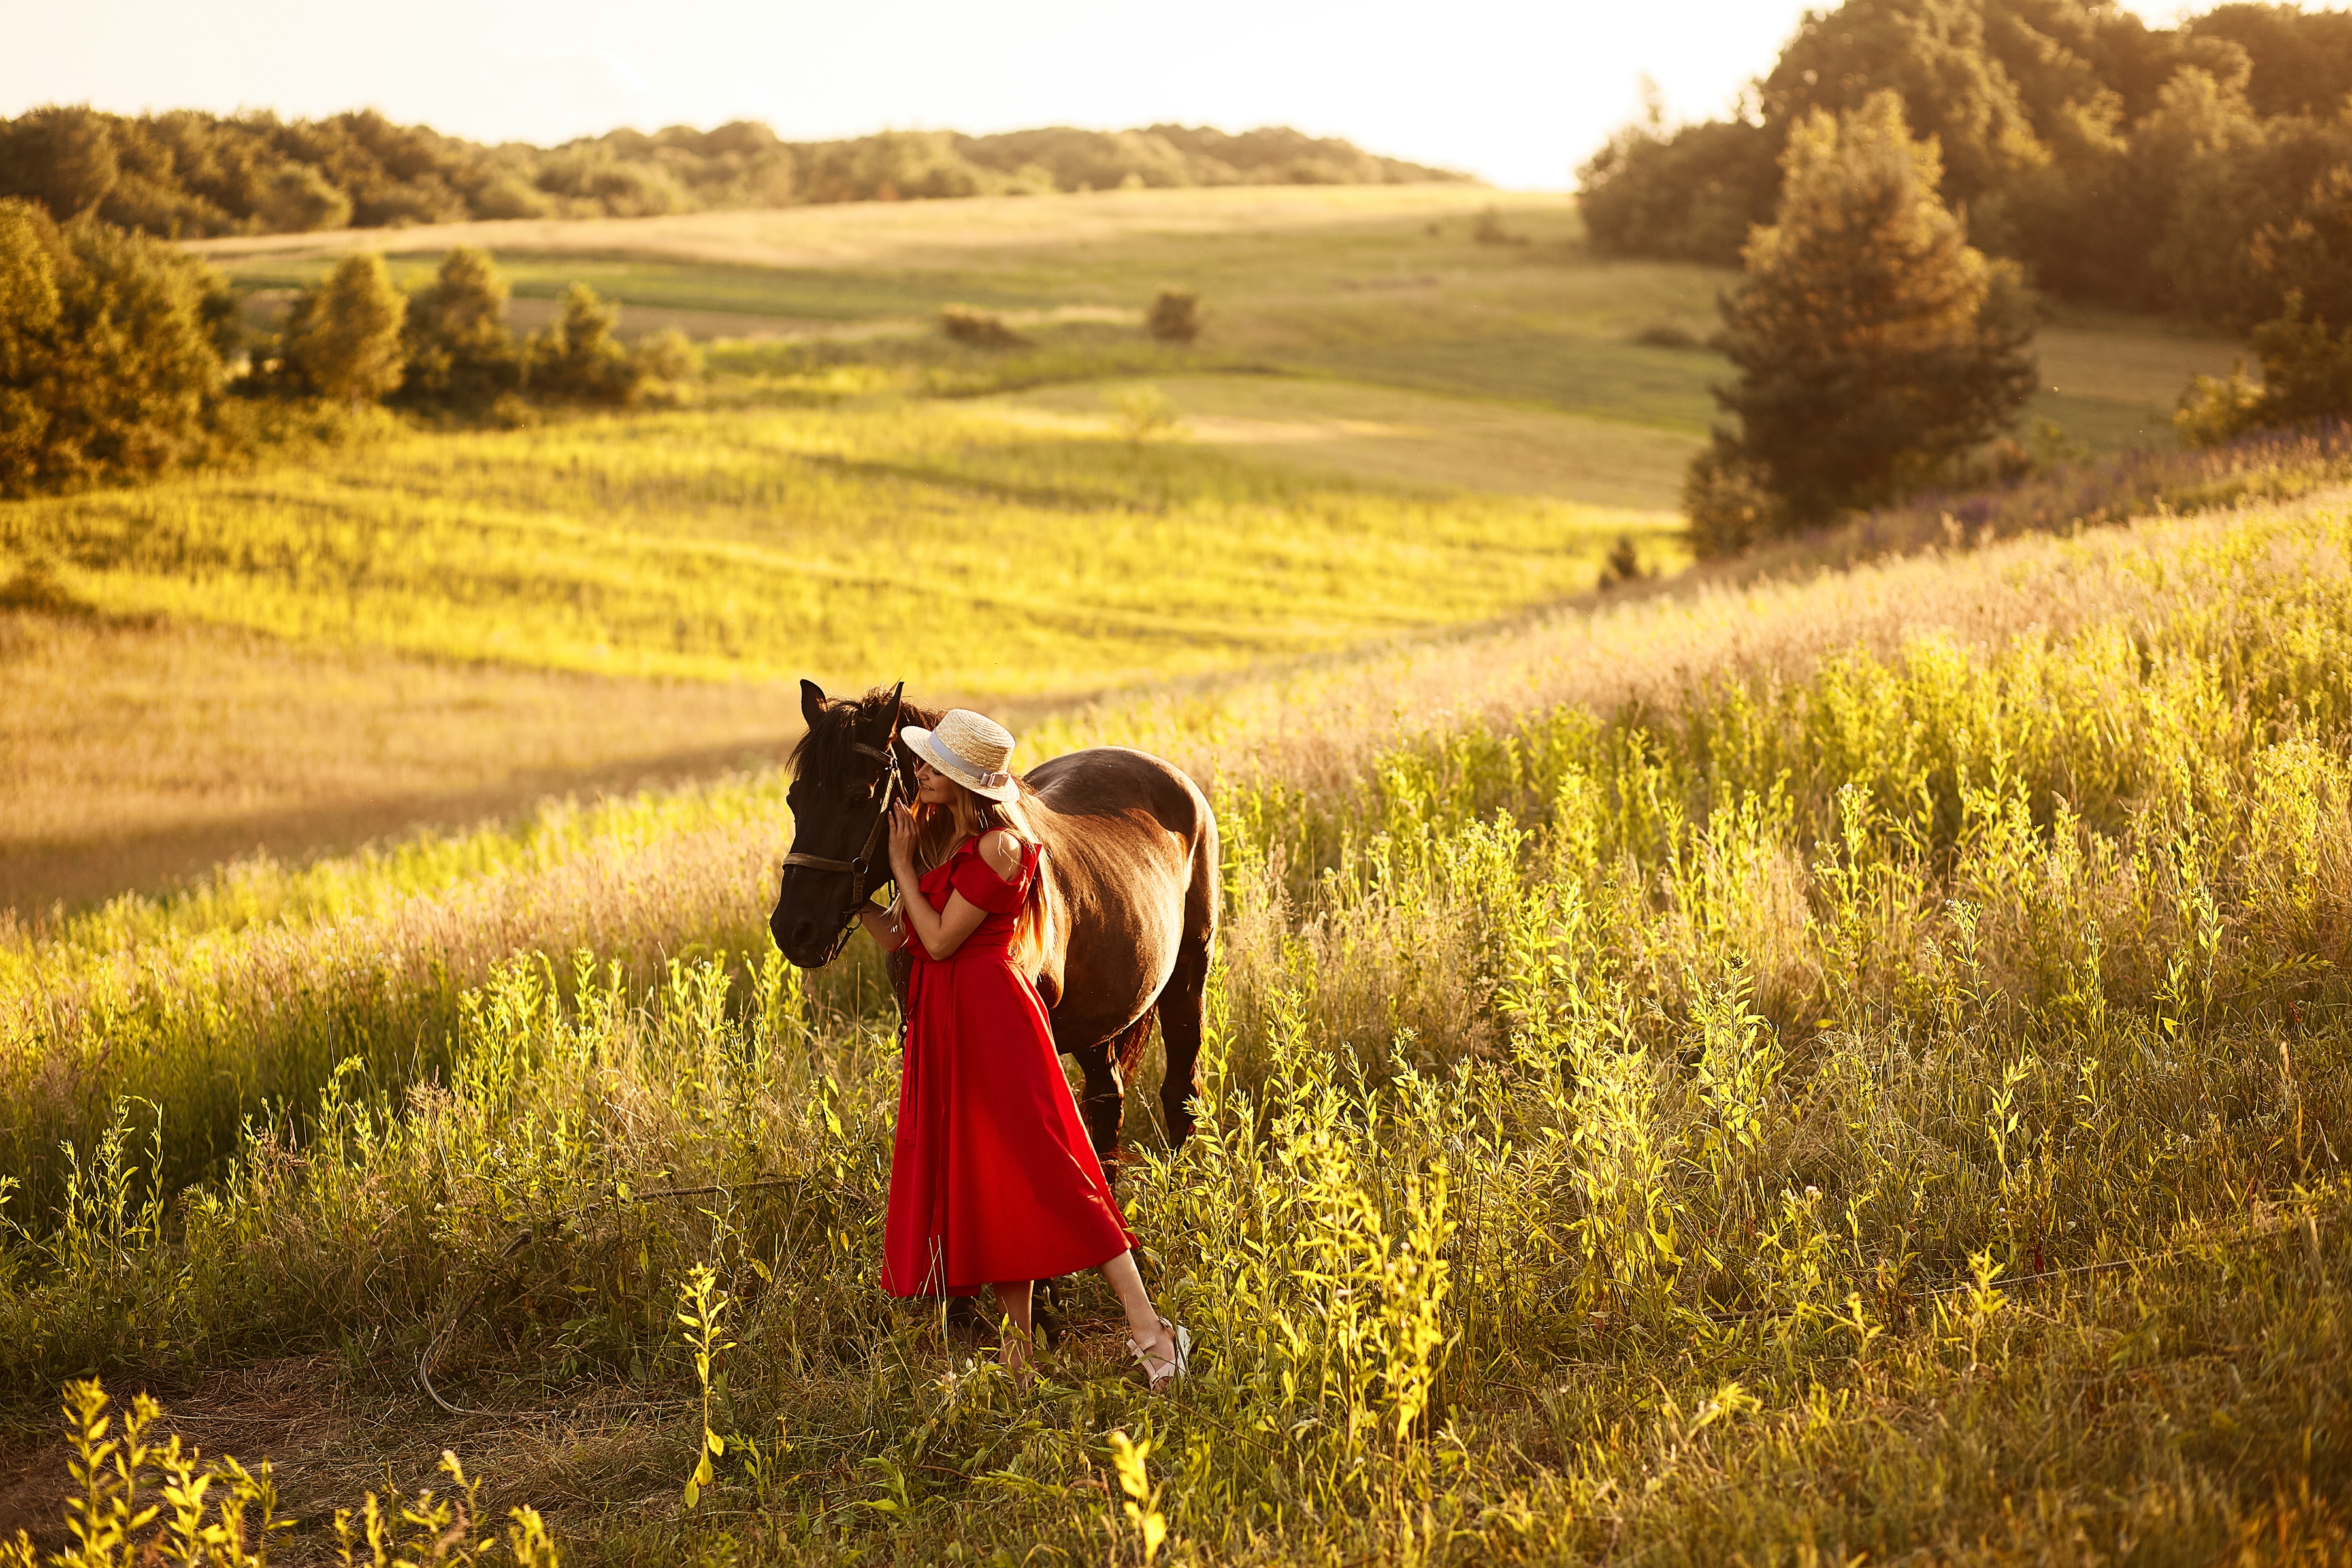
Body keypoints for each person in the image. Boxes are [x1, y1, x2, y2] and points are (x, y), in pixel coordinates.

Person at [853, 708, 1189, 1389]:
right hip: (953, 1019)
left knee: (1059, 1173)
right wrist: (851, 894)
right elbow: (903, 936)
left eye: (932, 764)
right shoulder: (945, 844)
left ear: (962, 780)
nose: (919, 772)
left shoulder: (1001, 848)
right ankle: (1018, 1352)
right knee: (993, 1181)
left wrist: (897, 864)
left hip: (997, 1017)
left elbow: (943, 939)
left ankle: (1152, 1328)